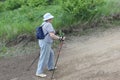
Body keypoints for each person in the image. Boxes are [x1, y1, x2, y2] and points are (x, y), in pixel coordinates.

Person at [36, 13, 65, 78]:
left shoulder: (43, 24)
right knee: (44, 57)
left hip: (42, 42)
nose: (52, 19)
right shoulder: (48, 25)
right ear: (49, 19)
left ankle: (50, 67)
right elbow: (52, 35)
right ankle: (39, 72)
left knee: (51, 53)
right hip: (45, 43)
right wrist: (60, 38)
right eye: (51, 18)